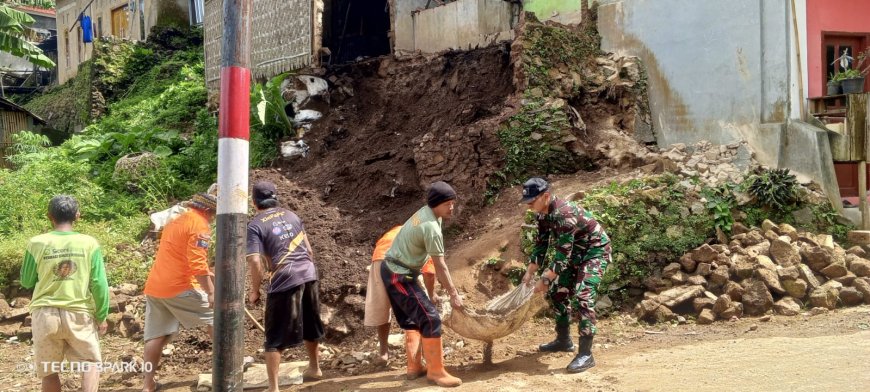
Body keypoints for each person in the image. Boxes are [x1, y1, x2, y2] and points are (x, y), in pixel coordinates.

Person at [520, 177, 611, 373]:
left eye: (531, 201)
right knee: (558, 293)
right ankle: (563, 340)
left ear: (545, 196)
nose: (528, 206)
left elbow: (562, 255)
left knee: (583, 295)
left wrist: (545, 280)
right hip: (575, 253)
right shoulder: (541, 214)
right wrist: (530, 272)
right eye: (526, 202)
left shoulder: (564, 214)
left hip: (594, 251)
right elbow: (541, 245)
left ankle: (586, 354)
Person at [21, 195, 109, 392]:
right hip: (78, 314)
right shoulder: (89, 243)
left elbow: (26, 281)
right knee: (90, 363)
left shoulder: (36, 243)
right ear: (77, 216)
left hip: (45, 315)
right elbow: (99, 284)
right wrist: (102, 315)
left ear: (49, 216)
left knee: (49, 370)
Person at [381, 181, 463, 387]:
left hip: (398, 269)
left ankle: (415, 367)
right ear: (436, 204)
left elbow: (432, 265)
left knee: (417, 318)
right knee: (430, 318)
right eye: (447, 204)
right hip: (398, 274)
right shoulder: (431, 227)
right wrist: (454, 294)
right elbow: (440, 266)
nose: (451, 207)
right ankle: (436, 372)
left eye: (453, 203)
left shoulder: (429, 213)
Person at [246, 181, 324, 391]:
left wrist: (255, 289)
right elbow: (309, 251)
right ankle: (315, 368)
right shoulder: (292, 216)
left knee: (274, 336)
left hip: (284, 279)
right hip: (308, 274)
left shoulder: (255, 225)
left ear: (254, 202)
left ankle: (273, 387)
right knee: (310, 323)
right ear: (275, 197)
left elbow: (254, 261)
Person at [141, 192, 218, 392]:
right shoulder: (200, 224)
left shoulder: (176, 221)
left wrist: (209, 275)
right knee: (219, 319)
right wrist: (210, 292)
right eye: (214, 215)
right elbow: (197, 263)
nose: (213, 218)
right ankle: (229, 366)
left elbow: (179, 254)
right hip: (179, 287)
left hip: (156, 287)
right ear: (208, 211)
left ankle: (147, 385)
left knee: (156, 336)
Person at [364, 226, 436, 366]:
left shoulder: (402, 229)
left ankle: (383, 353)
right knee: (417, 310)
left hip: (379, 259)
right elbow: (429, 273)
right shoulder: (429, 237)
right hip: (398, 261)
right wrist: (432, 294)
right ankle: (415, 363)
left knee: (382, 306)